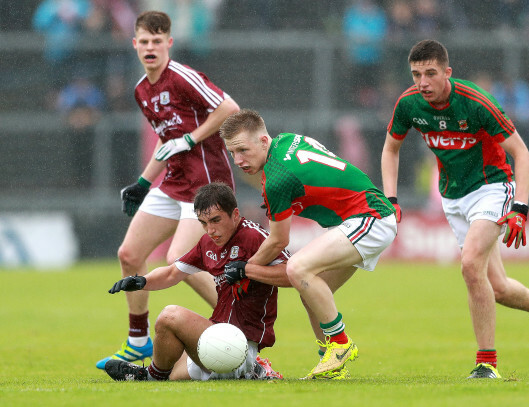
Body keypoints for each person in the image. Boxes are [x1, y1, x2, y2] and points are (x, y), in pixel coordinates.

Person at [381, 39, 529, 379]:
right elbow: (390, 150)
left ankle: (487, 363)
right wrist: (391, 199)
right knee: (496, 287)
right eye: (416, 74)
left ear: (447, 72)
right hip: (453, 198)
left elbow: (522, 154)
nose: (422, 82)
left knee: (470, 264)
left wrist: (521, 208)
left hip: (492, 189)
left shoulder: (475, 102)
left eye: (430, 73)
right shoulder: (409, 104)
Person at [96, 11, 240, 369]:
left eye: (157, 42)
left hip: (206, 184)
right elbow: (167, 142)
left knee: (179, 261)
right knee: (129, 254)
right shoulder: (141, 90)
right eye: (144, 41)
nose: (150, 48)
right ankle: (138, 342)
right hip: (174, 181)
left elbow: (230, 108)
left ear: (168, 44)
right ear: (134, 44)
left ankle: (236, 329)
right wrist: (144, 182)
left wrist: (192, 137)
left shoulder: (182, 76)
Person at [218, 109, 398, 380]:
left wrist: (246, 268)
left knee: (298, 268)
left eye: (243, 150)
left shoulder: (277, 178)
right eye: (232, 153)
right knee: (308, 288)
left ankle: (339, 344)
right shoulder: (287, 140)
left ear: (264, 141)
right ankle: (331, 365)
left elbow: (279, 240)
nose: (238, 160)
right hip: (358, 216)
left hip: (368, 216)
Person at [103, 182, 287, 381]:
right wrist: (141, 281)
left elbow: (291, 273)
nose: (210, 230)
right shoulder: (207, 243)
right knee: (171, 366)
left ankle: (150, 375)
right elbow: (173, 273)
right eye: (204, 223)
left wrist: (249, 270)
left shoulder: (254, 236)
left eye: (216, 220)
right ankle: (251, 371)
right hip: (216, 338)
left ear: (235, 214)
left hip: (239, 343)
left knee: (170, 317)